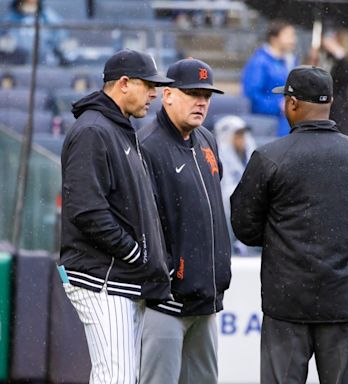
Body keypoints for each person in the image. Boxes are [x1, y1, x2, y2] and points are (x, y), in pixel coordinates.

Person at [231, 65, 348, 384]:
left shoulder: (269, 156)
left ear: (293, 104)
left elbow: (244, 227)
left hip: (286, 304)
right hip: (344, 303)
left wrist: (281, 239)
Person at [58, 49, 174, 383]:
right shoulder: (94, 130)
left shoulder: (117, 128)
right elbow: (87, 210)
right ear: (123, 83)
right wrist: (134, 252)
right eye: (147, 84)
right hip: (103, 277)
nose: (154, 93)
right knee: (116, 376)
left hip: (120, 276)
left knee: (119, 376)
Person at [138, 58, 232, 384]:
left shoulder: (207, 139)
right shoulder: (148, 145)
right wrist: (166, 274)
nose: (201, 101)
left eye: (207, 94)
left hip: (205, 301)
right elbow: (141, 223)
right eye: (192, 92)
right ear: (167, 95)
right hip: (165, 304)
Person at [241, 19, 298, 137]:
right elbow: (252, 96)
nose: (293, 40)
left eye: (294, 35)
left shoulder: (290, 61)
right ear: (274, 38)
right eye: (288, 35)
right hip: (268, 126)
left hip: (286, 125)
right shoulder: (259, 62)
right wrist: (278, 105)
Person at [213, 114, 257, 256]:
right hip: (225, 211)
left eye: (243, 134)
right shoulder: (217, 158)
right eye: (237, 134)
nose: (242, 139)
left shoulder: (254, 155)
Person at [1, 0, 69, 65]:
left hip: (46, 67)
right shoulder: (9, 18)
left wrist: (64, 46)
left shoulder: (49, 17)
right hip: (17, 68)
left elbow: (62, 40)